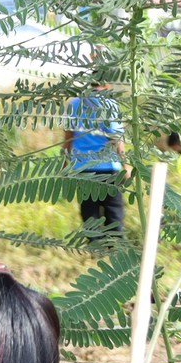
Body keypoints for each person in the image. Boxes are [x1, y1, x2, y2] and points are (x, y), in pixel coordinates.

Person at [65, 80, 125, 244]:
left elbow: (68, 136)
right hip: (108, 166)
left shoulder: (74, 103)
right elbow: (116, 137)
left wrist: (65, 163)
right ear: (107, 84)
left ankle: (95, 247)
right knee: (113, 209)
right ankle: (115, 248)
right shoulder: (109, 104)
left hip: (82, 167)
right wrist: (126, 164)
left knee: (89, 209)